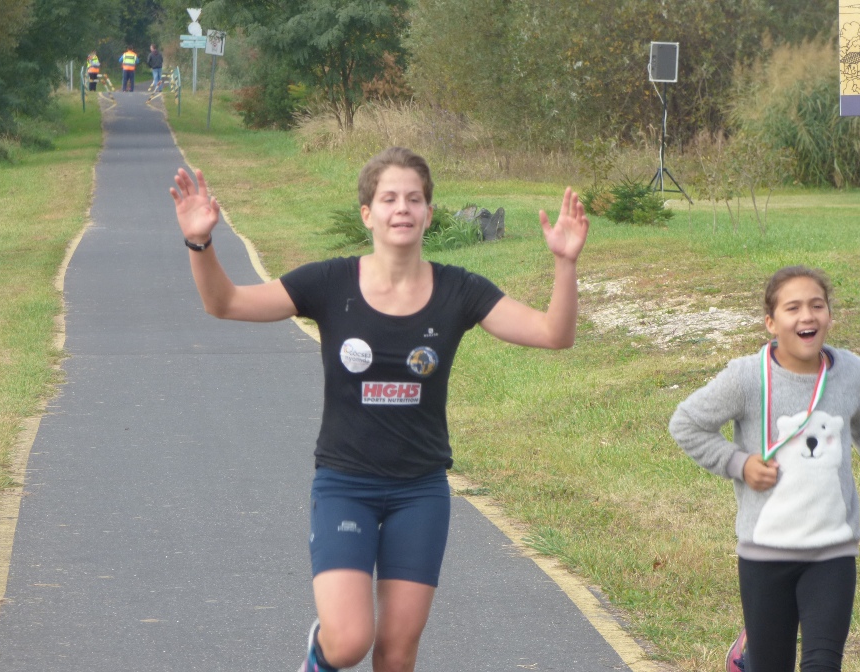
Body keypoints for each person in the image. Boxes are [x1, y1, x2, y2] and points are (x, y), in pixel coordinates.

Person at [169, 147, 590, 672]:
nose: (402, 209)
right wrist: (200, 242)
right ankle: (318, 655)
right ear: (367, 214)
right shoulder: (330, 284)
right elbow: (225, 303)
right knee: (349, 642)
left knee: (395, 654)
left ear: (429, 214)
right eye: (389, 199)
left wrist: (565, 263)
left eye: (414, 199)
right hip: (346, 485)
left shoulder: (460, 290)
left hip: (420, 491)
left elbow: (554, 334)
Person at [669, 266, 860, 672]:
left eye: (817, 306)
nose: (807, 316)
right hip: (764, 553)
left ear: (829, 315)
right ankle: (747, 658)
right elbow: (686, 423)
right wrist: (739, 462)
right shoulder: (746, 377)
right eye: (793, 308)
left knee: (823, 664)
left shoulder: (851, 372)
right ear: (771, 322)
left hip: (832, 550)